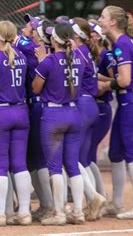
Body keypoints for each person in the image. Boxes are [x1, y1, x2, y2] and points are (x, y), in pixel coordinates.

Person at [98, 5, 133, 220]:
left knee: (130, 154)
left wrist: (105, 86)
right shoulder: (121, 43)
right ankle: (117, 203)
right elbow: (121, 80)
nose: (100, 20)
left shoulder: (121, 44)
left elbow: (125, 80)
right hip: (127, 101)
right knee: (115, 153)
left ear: (112, 22)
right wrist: (106, 81)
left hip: (132, 101)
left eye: (103, 17)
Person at [32, 23, 86, 226]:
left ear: (54, 40)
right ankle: (78, 211)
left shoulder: (49, 61)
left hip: (54, 114)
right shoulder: (79, 59)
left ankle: (59, 213)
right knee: (73, 166)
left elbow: (36, 89)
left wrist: (40, 62)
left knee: (55, 168)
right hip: (73, 112)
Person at [0, 21, 32, 226]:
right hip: (20, 111)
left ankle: (1, 214)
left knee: (0, 166)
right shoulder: (21, 56)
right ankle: (25, 213)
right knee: (20, 164)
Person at [70, 17, 107, 221]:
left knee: (72, 159)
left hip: (82, 106)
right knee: (82, 160)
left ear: (77, 35)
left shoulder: (77, 52)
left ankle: (93, 197)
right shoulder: (86, 52)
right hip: (91, 104)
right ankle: (95, 200)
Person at [18, 14, 54, 221]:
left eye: (29, 26)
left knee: (38, 159)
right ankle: (46, 204)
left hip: (38, 106)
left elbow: (1, 32)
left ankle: (48, 205)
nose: (25, 27)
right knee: (38, 159)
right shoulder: (46, 49)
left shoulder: (30, 48)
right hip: (45, 106)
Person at [88, 21, 113, 197]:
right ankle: (98, 195)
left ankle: (99, 195)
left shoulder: (105, 54)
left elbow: (116, 80)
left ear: (97, 36)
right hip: (92, 107)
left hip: (101, 107)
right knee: (87, 154)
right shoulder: (90, 54)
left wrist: (99, 83)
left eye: (91, 32)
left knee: (88, 154)